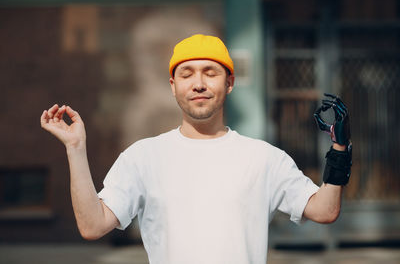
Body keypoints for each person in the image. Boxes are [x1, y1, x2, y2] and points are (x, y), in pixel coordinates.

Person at [40, 34, 352, 264]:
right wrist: (76, 148)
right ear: (173, 85)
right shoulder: (142, 157)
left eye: (210, 72)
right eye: (186, 74)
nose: (198, 83)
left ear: (229, 82)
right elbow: (92, 226)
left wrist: (339, 149)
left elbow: (324, 211)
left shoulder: (264, 158)